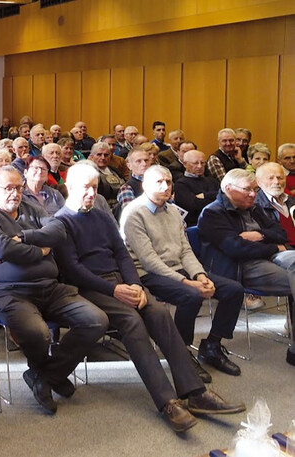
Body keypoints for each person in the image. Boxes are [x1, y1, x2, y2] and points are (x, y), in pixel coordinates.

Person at [55, 163, 245, 431]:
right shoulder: (60, 221)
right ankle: (168, 401)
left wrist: (135, 284)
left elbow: (122, 254)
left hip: (122, 281)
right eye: (86, 188)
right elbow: (73, 270)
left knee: (158, 313)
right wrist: (115, 290)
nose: (91, 193)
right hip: (90, 287)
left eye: (95, 188)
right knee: (133, 322)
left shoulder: (100, 216)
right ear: (70, 187)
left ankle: (195, 392)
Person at [0, 166, 108, 414]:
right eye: (8, 188)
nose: (15, 193)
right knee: (38, 332)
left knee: (96, 320)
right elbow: (3, 250)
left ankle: (45, 375)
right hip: (6, 292)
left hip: (49, 287)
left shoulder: (31, 207)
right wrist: (42, 250)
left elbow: (58, 231)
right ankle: (50, 376)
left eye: (19, 187)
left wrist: (24, 238)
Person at [120, 165, 244, 380]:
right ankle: (181, 352)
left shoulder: (172, 211)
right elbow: (149, 261)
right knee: (191, 295)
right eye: (159, 182)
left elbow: (185, 250)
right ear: (144, 185)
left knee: (234, 290)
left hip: (177, 269)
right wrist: (187, 283)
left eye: (168, 182)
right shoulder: (134, 213)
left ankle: (212, 345)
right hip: (147, 274)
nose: (165, 187)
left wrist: (200, 275)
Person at [198, 167, 295, 366]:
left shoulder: (253, 208)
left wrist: (260, 235)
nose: (253, 194)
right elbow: (236, 248)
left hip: (270, 256)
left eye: (255, 189)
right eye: (247, 190)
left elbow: (281, 233)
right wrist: (271, 246)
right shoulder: (212, 213)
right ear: (228, 188)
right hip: (241, 265)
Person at [174, 150, 220, 228]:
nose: (199, 166)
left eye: (202, 163)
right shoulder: (181, 184)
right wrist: (214, 199)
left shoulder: (212, 181)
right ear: (185, 164)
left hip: (217, 220)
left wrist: (205, 195)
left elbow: (223, 198)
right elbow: (194, 206)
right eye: (195, 163)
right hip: (196, 224)